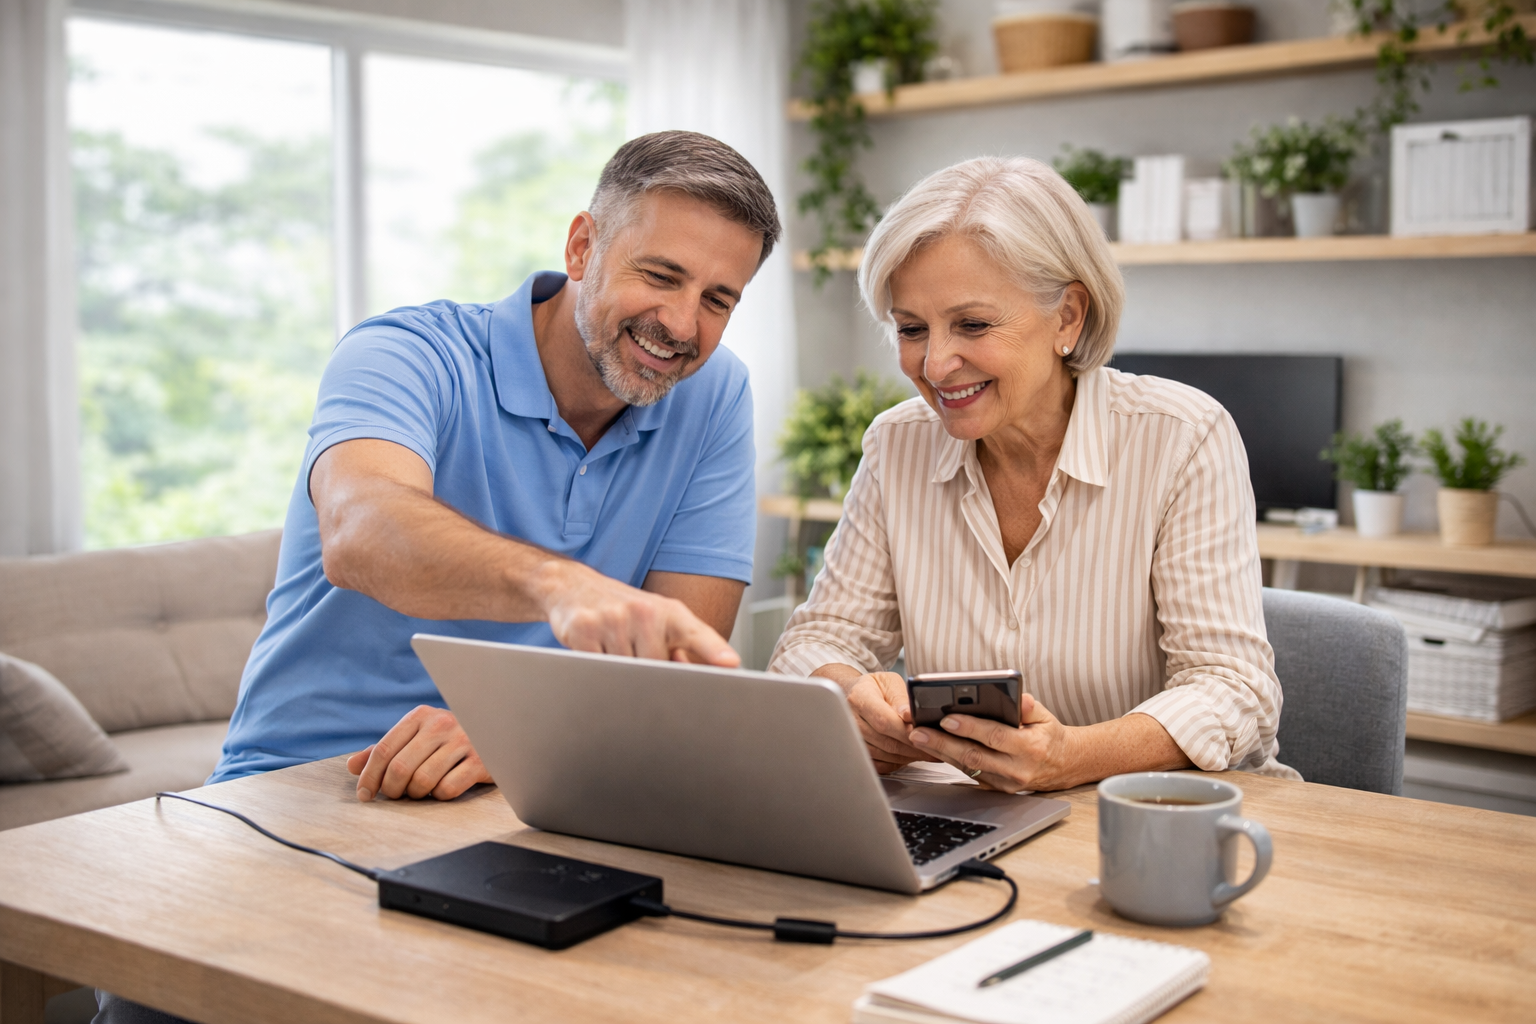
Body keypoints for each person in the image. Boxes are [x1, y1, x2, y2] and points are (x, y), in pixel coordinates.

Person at [209, 130, 782, 804]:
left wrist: (513, 735)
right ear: (582, 247)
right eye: (660, 276)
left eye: (718, 300)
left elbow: (681, 660)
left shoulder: (714, 394)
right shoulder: (405, 354)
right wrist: (561, 587)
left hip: (531, 785)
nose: (683, 325)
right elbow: (359, 532)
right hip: (307, 786)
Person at [768, 156, 1298, 792]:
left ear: (1068, 317)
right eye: (912, 329)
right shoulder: (896, 446)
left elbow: (1233, 689)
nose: (935, 364)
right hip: (976, 816)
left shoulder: (1183, 438)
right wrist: (852, 697)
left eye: (972, 324)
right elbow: (816, 640)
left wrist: (1071, 756)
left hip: (1165, 814)